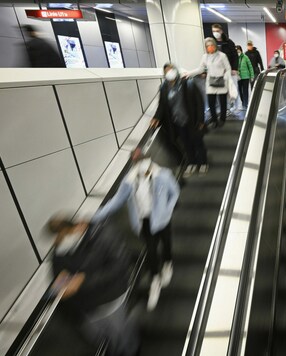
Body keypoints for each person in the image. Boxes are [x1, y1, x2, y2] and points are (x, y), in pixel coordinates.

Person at [92, 149, 180, 311]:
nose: (145, 172)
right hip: (144, 222)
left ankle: (167, 263)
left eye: (146, 169)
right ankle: (155, 280)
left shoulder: (163, 175)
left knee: (166, 243)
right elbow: (116, 202)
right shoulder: (130, 181)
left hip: (162, 219)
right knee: (151, 250)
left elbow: (174, 193)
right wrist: (95, 216)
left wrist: (167, 211)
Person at [47, 215, 139, 356]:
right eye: (58, 240)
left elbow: (119, 265)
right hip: (87, 310)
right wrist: (60, 287)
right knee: (105, 338)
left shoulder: (103, 235)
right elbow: (59, 279)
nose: (60, 241)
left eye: (63, 235)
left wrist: (83, 280)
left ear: (78, 227)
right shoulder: (59, 252)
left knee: (121, 334)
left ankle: (131, 351)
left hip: (110, 300)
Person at [151, 63, 208, 177]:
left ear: (176, 71)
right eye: (166, 71)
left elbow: (199, 102)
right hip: (177, 121)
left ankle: (203, 163)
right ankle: (191, 163)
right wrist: (156, 117)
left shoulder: (188, 83)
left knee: (197, 141)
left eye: (171, 70)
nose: (169, 73)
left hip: (192, 119)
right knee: (186, 143)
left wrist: (201, 120)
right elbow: (162, 105)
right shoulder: (164, 88)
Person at [187, 37, 232, 128]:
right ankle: (214, 120)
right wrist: (189, 73)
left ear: (215, 45)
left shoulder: (222, 56)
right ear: (206, 47)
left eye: (211, 45)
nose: (210, 47)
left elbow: (228, 69)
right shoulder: (205, 57)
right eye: (208, 46)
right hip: (210, 82)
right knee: (211, 102)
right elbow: (201, 69)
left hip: (221, 81)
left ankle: (222, 119)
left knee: (222, 102)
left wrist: (225, 77)